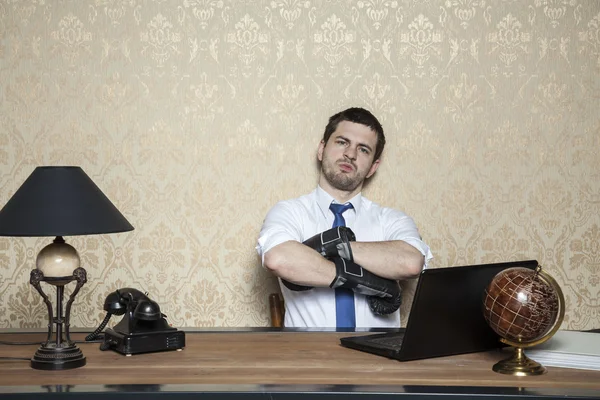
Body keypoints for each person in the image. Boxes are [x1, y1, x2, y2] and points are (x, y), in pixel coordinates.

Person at [256, 107, 432, 328]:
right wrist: (369, 281)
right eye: (342, 142)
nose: (350, 154)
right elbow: (278, 259)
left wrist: (334, 248)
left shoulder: (392, 220)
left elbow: (411, 262)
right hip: (308, 356)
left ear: (373, 167)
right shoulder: (289, 212)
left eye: (364, 149)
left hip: (378, 358)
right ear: (321, 149)